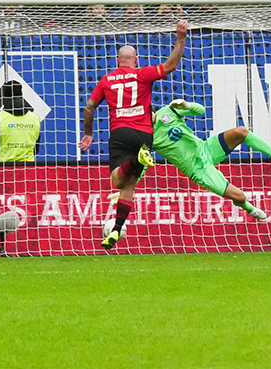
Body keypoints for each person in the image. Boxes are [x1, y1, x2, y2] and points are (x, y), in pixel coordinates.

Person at [79, 21, 189, 250]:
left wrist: (88, 134)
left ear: (118, 60)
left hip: (120, 133)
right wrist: (180, 38)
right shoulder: (142, 74)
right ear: (135, 59)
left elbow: (89, 107)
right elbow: (169, 66)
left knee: (117, 181)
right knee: (128, 187)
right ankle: (117, 231)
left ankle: (135, 161)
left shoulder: (106, 80)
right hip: (145, 135)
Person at [146, 98, 271, 223]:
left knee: (241, 132)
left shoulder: (168, 111)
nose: (147, 118)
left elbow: (201, 110)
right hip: (198, 169)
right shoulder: (146, 137)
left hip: (206, 148)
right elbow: (143, 162)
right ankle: (248, 207)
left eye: (148, 114)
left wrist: (187, 105)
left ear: (153, 111)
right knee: (239, 196)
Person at [0, 81, 41, 163]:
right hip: (29, 168)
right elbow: (36, 147)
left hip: (5, 168)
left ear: (4, 98)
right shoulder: (34, 118)